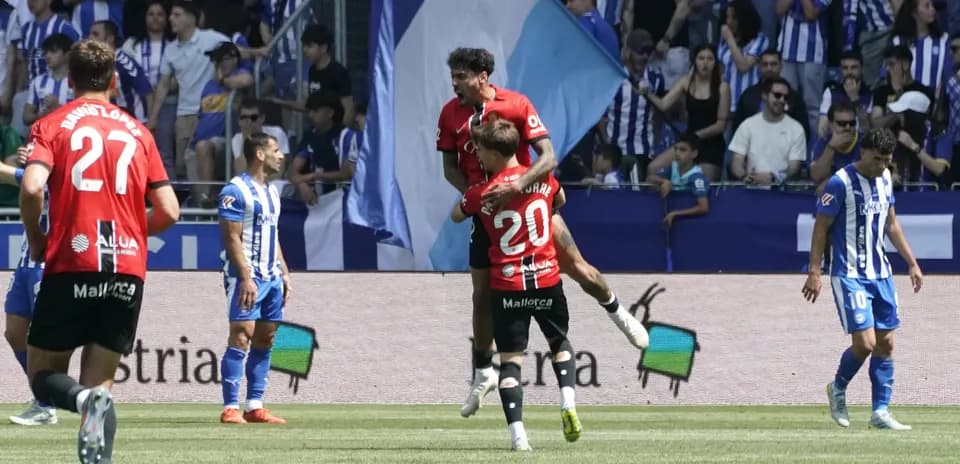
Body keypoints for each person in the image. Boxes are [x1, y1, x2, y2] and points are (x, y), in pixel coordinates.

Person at [437, 47, 648, 418]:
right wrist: (480, 199)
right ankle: (483, 372)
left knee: (579, 268)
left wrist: (516, 188)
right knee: (480, 296)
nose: (454, 84)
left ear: (482, 76)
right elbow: (450, 169)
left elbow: (549, 156)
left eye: (461, 77)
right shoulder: (450, 114)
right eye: (452, 76)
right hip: (488, 213)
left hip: (529, 202)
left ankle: (619, 312)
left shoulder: (516, 104)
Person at [21, 39, 179, 463]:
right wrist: (130, 231)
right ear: (113, 81)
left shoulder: (53, 124)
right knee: (100, 387)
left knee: (44, 378)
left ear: (70, 80)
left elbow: (32, 186)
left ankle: (82, 404)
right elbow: (169, 210)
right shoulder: (139, 132)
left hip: (72, 259)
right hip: (126, 266)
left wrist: (39, 241)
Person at [451, 119, 581, 451]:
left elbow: (456, 214)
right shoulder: (544, 179)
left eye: (480, 149)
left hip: (507, 284)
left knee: (510, 362)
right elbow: (561, 199)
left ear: (495, 153)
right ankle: (567, 402)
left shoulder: (484, 192)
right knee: (560, 344)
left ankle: (518, 437)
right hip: (547, 278)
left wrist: (479, 205)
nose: (477, 153)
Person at [802, 128, 923, 431]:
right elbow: (820, 228)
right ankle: (838, 387)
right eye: (877, 159)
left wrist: (912, 263)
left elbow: (891, 225)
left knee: (886, 343)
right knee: (866, 343)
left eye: (887, 160)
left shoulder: (884, 180)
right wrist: (815, 271)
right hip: (849, 274)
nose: (882, 165)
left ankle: (880, 412)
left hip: (881, 273)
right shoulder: (839, 182)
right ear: (863, 152)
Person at [217, 131, 291, 425]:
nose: (281, 155)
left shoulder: (273, 192)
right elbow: (231, 238)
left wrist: (284, 272)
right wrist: (246, 277)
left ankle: (255, 405)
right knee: (241, 334)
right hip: (246, 276)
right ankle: (230, 408)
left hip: (272, 277)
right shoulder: (234, 191)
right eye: (276, 150)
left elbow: (274, 234)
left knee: (267, 338)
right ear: (260, 154)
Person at [2, 145, 56, 426]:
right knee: (14, 333)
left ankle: (47, 403)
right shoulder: (33, 174)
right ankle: (45, 395)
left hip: (49, 262)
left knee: (41, 339)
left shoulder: (62, 177)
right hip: (25, 262)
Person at [645, 132, 710, 227]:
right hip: (669, 216)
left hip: (689, 222)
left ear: (694, 154)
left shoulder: (697, 177)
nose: (677, 153)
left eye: (682, 150)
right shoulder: (673, 167)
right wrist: (663, 181)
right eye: (676, 149)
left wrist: (675, 213)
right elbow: (649, 178)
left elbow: (704, 207)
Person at [22, 33, 75, 126]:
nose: (47, 56)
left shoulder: (79, 81)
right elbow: (26, 118)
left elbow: (87, 116)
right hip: (44, 135)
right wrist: (41, 115)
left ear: (67, 54)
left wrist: (58, 108)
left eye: (53, 51)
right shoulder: (38, 82)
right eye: (46, 52)